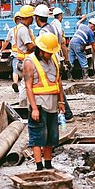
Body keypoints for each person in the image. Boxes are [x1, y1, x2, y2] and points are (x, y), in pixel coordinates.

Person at [23, 32, 64, 171]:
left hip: (52, 104)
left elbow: (59, 82)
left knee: (51, 137)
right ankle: (39, 166)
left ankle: (48, 163)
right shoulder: (30, 62)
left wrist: (61, 101)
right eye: (48, 52)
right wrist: (34, 108)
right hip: (39, 104)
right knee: (37, 136)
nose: (50, 54)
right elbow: (28, 86)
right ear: (41, 50)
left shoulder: (54, 60)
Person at [35, 4, 73, 120]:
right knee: (56, 85)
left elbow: (43, 50)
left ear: (37, 18)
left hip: (49, 61)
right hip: (56, 59)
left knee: (53, 87)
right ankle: (65, 113)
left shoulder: (43, 32)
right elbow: (61, 43)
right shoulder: (52, 28)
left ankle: (66, 113)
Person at [14, 4, 36, 106]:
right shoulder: (23, 30)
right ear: (28, 17)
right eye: (32, 17)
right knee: (25, 83)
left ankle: (25, 104)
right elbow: (30, 46)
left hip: (23, 60)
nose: (33, 19)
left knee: (26, 82)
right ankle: (23, 105)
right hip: (24, 60)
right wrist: (40, 46)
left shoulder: (22, 28)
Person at [0, 13, 21, 92]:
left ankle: (15, 82)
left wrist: (1, 50)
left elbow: (6, 42)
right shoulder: (27, 30)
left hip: (15, 54)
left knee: (15, 70)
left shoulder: (12, 30)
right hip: (25, 55)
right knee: (26, 70)